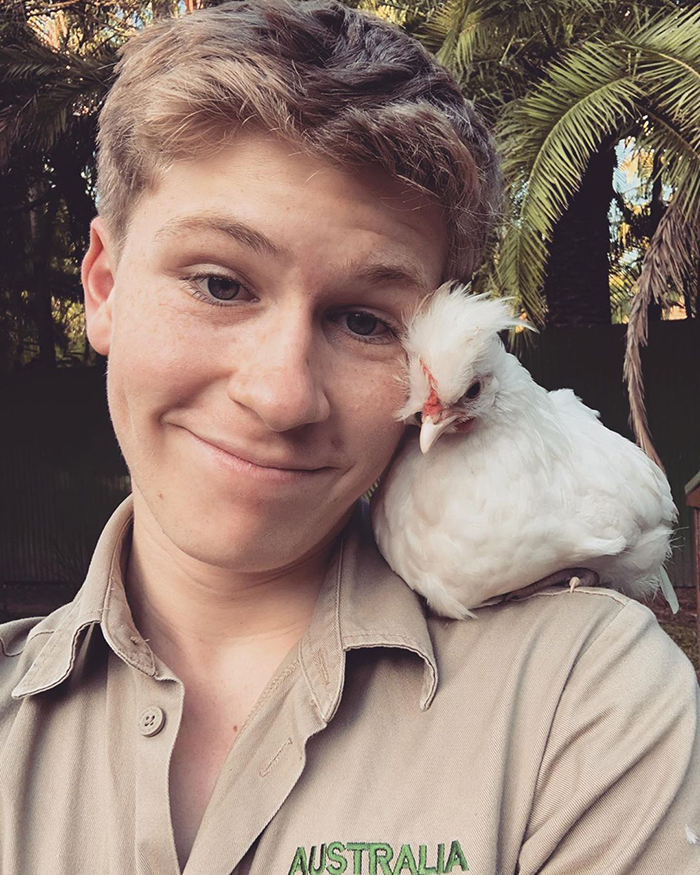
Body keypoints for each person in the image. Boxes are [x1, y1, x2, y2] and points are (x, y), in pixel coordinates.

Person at [1, 0, 698, 872]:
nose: (282, 395)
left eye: (367, 322)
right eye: (220, 284)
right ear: (102, 287)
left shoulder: (581, 702)